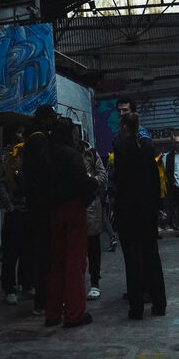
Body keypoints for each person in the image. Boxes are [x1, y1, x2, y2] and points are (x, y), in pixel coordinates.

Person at [112, 112, 165, 320]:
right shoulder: (147, 147)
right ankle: (159, 304)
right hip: (148, 210)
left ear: (125, 127)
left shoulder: (121, 148)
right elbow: (155, 179)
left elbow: (119, 182)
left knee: (132, 260)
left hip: (128, 211)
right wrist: (157, 205)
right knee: (152, 255)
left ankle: (136, 308)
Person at [43, 117, 93, 328]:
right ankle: (74, 313)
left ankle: (53, 313)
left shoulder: (47, 154)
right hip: (72, 207)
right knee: (74, 260)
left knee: (57, 262)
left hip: (53, 210)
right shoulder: (71, 154)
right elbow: (81, 181)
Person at [19, 104, 57, 314]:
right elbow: (45, 171)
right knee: (45, 252)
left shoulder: (30, 139)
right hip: (42, 203)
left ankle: (40, 298)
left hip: (33, 203)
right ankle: (45, 299)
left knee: (37, 250)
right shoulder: (40, 140)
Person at [0, 125, 29, 305]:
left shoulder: (28, 153)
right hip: (14, 208)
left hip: (27, 208)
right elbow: (0, 182)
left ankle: (26, 282)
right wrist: (9, 206)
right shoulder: (6, 156)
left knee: (27, 249)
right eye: (18, 132)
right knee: (11, 250)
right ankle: (9, 287)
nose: (21, 136)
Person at [81, 137, 108, 300]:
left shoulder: (90, 152)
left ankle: (94, 282)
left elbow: (102, 175)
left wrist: (89, 181)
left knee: (93, 248)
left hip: (91, 207)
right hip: (76, 207)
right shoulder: (69, 153)